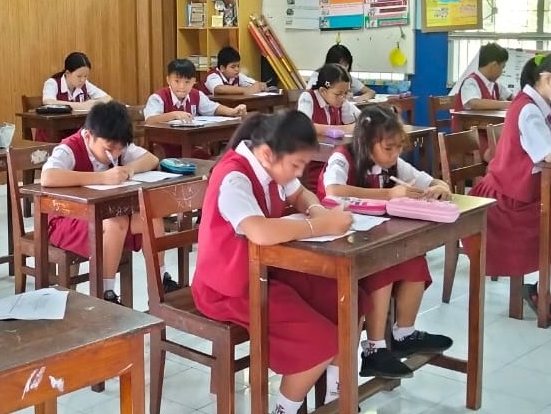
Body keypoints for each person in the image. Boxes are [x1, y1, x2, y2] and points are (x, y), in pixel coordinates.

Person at [192, 111, 366, 413]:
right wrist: (319, 226)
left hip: (267, 272)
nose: (298, 172)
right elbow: (259, 231)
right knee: (322, 341)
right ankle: (284, 408)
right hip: (228, 288)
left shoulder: (271, 165)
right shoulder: (234, 177)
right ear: (266, 154)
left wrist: (318, 211)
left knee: (348, 300)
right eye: (296, 165)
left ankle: (335, 398)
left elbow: (301, 195)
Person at [318, 105, 453, 378]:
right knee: (382, 267)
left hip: (373, 238)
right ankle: (374, 349)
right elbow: (333, 190)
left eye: (399, 148)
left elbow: (431, 181)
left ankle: (404, 333)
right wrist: (388, 195)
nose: (395, 155)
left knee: (414, 259)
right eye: (388, 148)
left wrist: (441, 188)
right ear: (367, 143)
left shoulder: (393, 163)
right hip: (339, 244)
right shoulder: (343, 157)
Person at [40, 101, 178, 304]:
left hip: (105, 215)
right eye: (109, 149)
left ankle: (160, 281)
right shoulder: (69, 148)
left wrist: (129, 169)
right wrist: (102, 177)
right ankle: (106, 293)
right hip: (66, 219)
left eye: (119, 150)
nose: (114, 155)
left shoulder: (116, 143)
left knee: (150, 217)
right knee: (116, 222)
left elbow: (151, 159)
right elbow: (48, 177)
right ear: (89, 135)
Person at [467, 54, 551, 314]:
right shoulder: (529, 110)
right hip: (506, 200)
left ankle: (543, 289)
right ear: (546, 80)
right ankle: (542, 292)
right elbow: (548, 154)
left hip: (520, 191)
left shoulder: (539, 105)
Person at [144, 58, 247, 158]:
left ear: (194, 81)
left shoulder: (196, 95)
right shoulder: (158, 97)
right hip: (163, 151)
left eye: (187, 82)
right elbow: (150, 120)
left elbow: (213, 108)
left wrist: (232, 111)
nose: (182, 86)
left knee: (215, 162)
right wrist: (173, 115)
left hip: (190, 148)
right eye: (177, 81)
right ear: (168, 80)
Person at [297, 63, 360, 191]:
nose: (343, 98)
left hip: (333, 161)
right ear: (323, 91)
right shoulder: (308, 98)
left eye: (346, 93)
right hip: (312, 163)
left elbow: (362, 118)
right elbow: (304, 126)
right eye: (338, 94)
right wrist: (345, 129)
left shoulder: (340, 102)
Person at [452, 42, 513, 129]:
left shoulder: (495, 85)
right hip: (468, 134)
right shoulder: (470, 82)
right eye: (502, 67)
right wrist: (507, 104)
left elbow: (512, 97)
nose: (502, 72)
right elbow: (474, 103)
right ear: (494, 65)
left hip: (486, 130)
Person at [42, 52, 111, 111]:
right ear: (67, 73)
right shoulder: (52, 83)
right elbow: (48, 102)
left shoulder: (85, 84)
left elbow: (108, 99)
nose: (82, 80)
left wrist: (93, 103)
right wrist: (81, 105)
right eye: (79, 76)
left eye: (85, 76)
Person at [306, 44, 375, 102]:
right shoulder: (318, 76)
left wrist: (357, 99)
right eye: (339, 65)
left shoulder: (346, 78)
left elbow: (371, 92)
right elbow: (310, 96)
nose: (343, 68)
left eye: (346, 65)